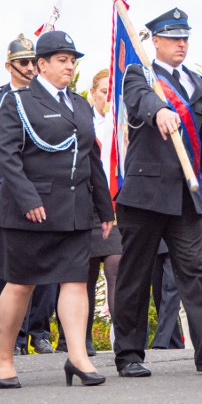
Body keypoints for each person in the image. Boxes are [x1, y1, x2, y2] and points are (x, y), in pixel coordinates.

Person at [112, 7, 202, 378]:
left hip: (185, 195)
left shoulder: (197, 83)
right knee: (135, 274)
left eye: (185, 37)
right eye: (173, 38)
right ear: (156, 41)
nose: (181, 44)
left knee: (191, 271)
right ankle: (129, 354)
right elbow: (138, 100)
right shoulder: (139, 75)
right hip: (145, 196)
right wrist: (160, 110)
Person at [0, 30, 114, 388]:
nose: (69, 66)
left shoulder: (77, 104)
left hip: (74, 210)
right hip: (29, 212)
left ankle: (77, 357)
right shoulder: (18, 102)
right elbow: (7, 155)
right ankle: (3, 358)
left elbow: (92, 158)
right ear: (41, 64)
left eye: (72, 60)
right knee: (20, 285)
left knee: (75, 282)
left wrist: (105, 210)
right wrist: (29, 199)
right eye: (62, 60)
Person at [0, 34, 55, 356]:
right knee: (13, 270)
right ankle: (15, 338)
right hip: (7, 193)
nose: (29, 68)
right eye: (23, 62)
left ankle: (40, 330)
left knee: (48, 268)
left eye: (32, 62)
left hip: (46, 191)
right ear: (9, 65)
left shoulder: (49, 97)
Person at [84, 69, 122, 354]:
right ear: (93, 94)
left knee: (116, 266)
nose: (107, 96)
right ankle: (80, 339)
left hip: (114, 207)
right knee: (83, 277)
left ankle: (122, 337)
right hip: (85, 207)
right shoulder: (83, 123)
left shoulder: (123, 125)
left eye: (111, 91)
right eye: (102, 91)